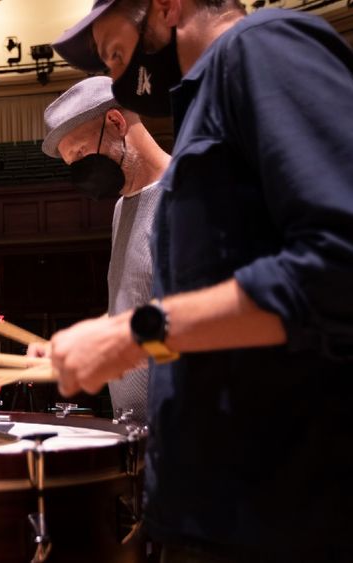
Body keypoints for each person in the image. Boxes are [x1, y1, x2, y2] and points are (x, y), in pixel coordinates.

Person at [51, 0, 353, 558]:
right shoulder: (204, 110)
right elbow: (201, 327)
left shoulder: (261, 46)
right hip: (213, 512)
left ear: (166, 7)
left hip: (280, 513)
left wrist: (131, 334)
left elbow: (338, 263)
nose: (118, 79)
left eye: (116, 55)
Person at [34, 76, 169, 424]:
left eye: (80, 153)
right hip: (136, 427)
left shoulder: (187, 193)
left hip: (188, 428)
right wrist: (73, 345)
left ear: (116, 122)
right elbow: (134, 308)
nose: (80, 171)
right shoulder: (122, 209)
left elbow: (201, 326)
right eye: (71, 164)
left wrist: (113, 342)